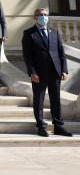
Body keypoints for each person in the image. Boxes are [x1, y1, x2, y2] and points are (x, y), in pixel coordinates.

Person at [22, 8, 73, 137]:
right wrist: (32, 72)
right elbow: (27, 56)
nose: (44, 17)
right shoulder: (29, 33)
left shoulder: (54, 32)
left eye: (45, 15)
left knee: (55, 99)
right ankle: (41, 126)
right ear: (35, 17)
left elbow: (61, 53)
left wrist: (64, 70)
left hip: (55, 71)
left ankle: (59, 126)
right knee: (39, 100)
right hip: (38, 73)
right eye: (41, 15)